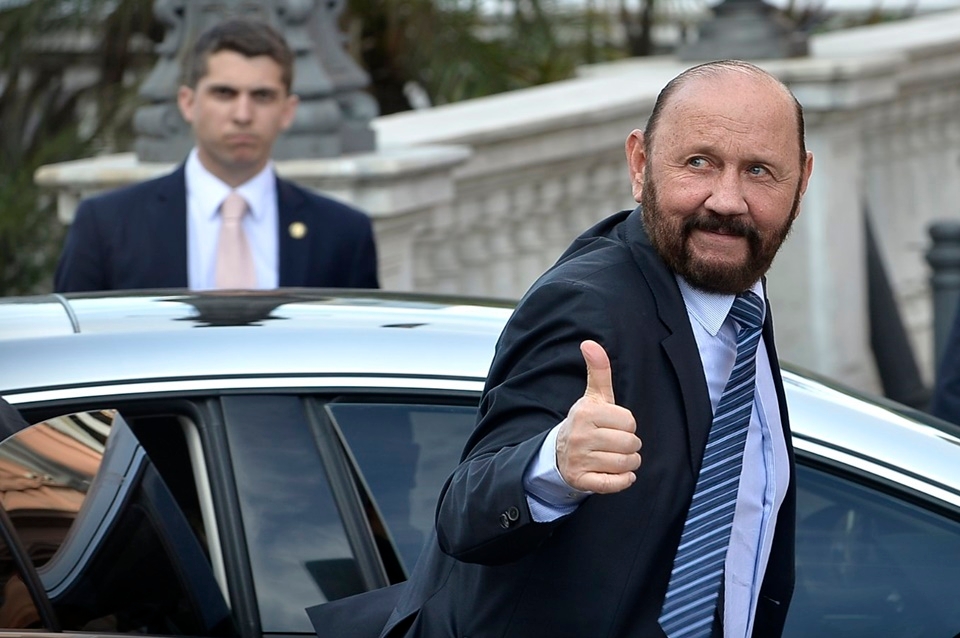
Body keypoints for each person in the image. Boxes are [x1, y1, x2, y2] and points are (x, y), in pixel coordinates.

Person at [309, 60, 814, 638]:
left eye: (758, 171)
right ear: (640, 164)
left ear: (800, 183)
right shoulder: (586, 306)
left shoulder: (739, 299)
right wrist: (553, 464)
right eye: (698, 162)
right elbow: (467, 512)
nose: (727, 200)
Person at [54, 18, 379, 292]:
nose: (243, 114)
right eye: (224, 93)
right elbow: (73, 342)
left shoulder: (343, 233)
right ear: (187, 103)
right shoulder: (106, 226)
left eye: (262, 96)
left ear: (287, 110)